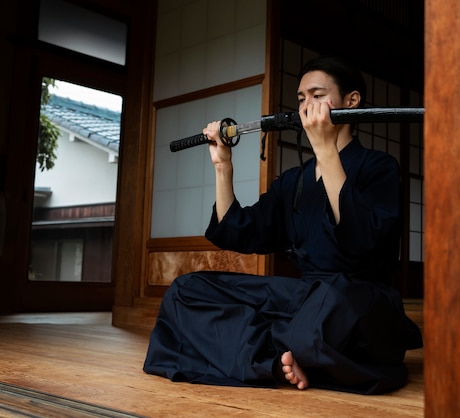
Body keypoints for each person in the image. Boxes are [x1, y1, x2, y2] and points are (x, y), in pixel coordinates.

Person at [143, 56, 422, 395]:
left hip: (354, 300)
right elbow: (242, 230)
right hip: (304, 300)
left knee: (330, 310)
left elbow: (362, 240)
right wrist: (223, 168)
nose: (306, 107)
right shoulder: (294, 181)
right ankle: (279, 363)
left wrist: (325, 150)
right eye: (301, 98)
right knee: (186, 291)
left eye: (318, 95)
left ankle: (269, 351)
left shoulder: (380, 167)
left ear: (351, 101)